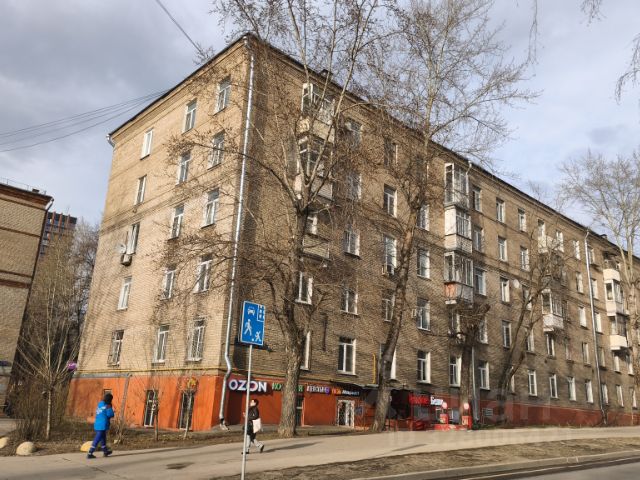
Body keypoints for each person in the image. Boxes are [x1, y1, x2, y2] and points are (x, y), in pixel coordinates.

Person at [87, 393, 115, 459]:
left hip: (97, 423)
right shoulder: (108, 405)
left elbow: (100, 412)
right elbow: (110, 414)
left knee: (103, 437)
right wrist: (112, 410)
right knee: (97, 438)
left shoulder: (100, 404)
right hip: (103, 424)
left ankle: (105, 451)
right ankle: (90, 453)